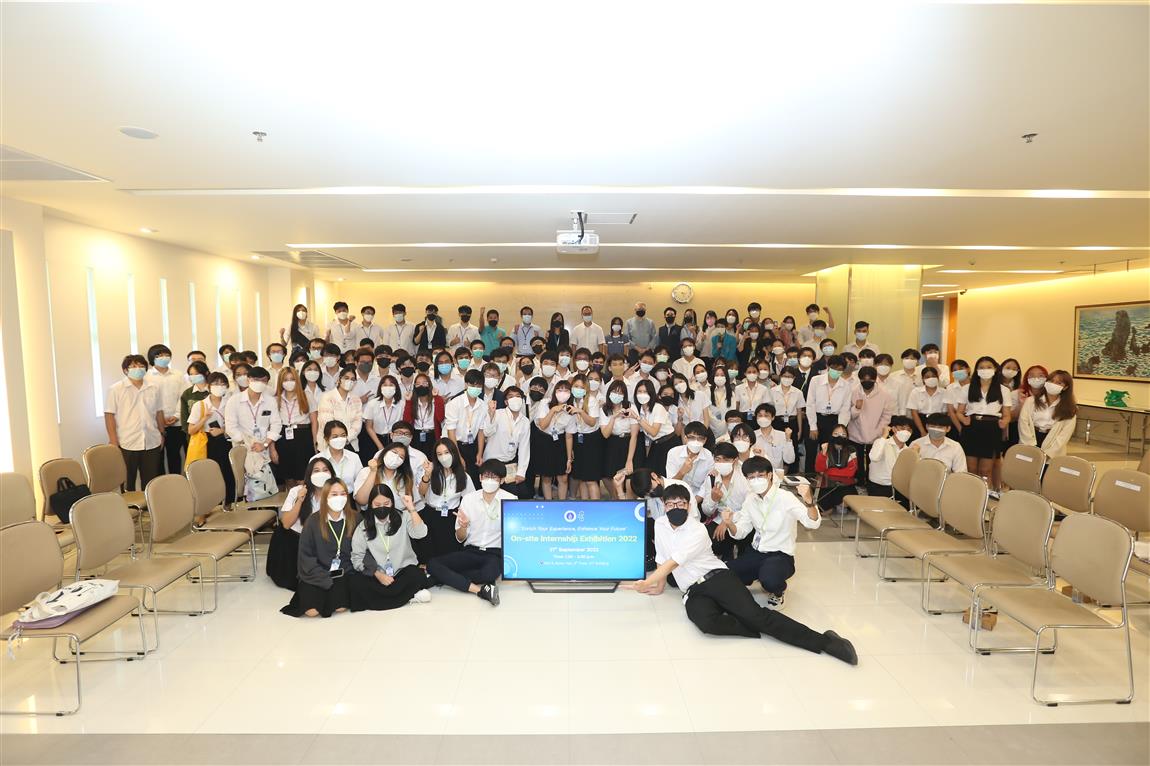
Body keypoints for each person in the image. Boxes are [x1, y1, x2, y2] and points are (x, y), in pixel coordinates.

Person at [626, 483, 857, 665]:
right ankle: (750, 621)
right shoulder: (660, 525)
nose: (675, 508)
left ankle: (825, 641)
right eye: (670, 504)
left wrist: (647, 581)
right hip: (693, 591)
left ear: (688, 505)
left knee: (757, 616)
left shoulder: (697, 530)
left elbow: (673, 563)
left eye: (681, 503)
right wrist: (656, 586)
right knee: (706, 623)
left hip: (717, 578)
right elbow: (662, 558)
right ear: (663, 505)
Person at [727, 457, 821, 608]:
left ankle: (777, 592)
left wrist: (809, 502)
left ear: (770, 475)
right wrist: (729, 523)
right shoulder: (750, 499)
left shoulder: (785, 497)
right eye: (751, 477)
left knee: (770, 580)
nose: (756, 480)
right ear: (747, 480)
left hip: (780, 554)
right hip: (757, 551)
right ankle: (757, 573)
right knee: (726, 573)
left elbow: (812, 523)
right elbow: (742, 532)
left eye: (760, 475)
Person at [427, 460, 512, 606]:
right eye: (486, 476)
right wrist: (464, 526)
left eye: (494, 477)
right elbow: (460, 538)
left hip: (494, 553)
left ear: (502, 480)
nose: (489, 480)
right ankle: (479, 590)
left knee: (489, 574)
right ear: (480, 478)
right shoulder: (469, 499)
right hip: (471, 551)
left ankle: (443, 577)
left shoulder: (510, 500)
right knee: (432, 564)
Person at [281, 478, 357, 618]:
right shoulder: (312, 521)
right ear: (325, 496)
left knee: (340, 607)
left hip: (344, 573)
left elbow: (359, 553)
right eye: (334, 494)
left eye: (343, 494)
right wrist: (324, 578)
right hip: (316, 574)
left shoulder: (356, 518)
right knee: (311, 611)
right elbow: (305, 557)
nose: (339, 498)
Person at [349, 484, 432, 610]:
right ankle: (407, 596)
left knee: (416, 575)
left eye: (386, 503)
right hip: (379, 576)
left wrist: (411, 508)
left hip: (403, 572)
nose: (382, 507)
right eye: (377, 504)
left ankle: (382, 600)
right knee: (356, 582)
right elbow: (357, 558)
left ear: (392, 503)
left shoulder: (403, 517)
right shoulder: (363, 527)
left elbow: (421, 533)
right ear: (370, 505)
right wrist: (377, 574)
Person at [266, 456, 336, 590]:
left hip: (323, 541)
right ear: (309, 474)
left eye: (325, 470)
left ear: (331, 474)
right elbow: (286, 523)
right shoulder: (296, 491)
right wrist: (300, 500)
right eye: (316, 471)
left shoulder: (337, 493)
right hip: (296, 540)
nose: (321, 474)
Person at [104, 354, 166, 492]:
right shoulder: (116, 389)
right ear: (125, 370)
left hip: (151, 440)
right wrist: (113, 440)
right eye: (133, 366)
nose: (138, 368)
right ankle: (128, 504)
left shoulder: (154, 387)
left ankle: (148, 504)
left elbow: (159, 412)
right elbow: (109, 415)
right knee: (127, 481)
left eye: (141, 366)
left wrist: (162, 433)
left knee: (150, 482)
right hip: (126, 441)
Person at [954, 356, 1012, 486]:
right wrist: (963, 419)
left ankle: (985, 493)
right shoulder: (967, 388)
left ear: (995, 369)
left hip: (992, 428)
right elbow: (959, 412)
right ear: (976, 370)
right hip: (972, 427)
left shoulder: (1004, 390)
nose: (985, 370)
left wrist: (1004, 422)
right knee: (971, 468)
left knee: (985, 470)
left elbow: (1007, 415)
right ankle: (970, 492)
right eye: (981, 367)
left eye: (989, 367)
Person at [421, 438, 475, 560]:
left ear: (454, 453)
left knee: (449, 555)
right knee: (430, 553)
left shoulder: (464, 476)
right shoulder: (431, 471)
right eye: (439, 454)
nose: (443, 457)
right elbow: (422, 492)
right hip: (431, 515)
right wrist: (427, 475)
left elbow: (470, 500)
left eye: (446, 453)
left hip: (451, 517)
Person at [187, 372, 235, 502]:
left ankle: (228, 503)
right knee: (210, 475)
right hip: (207, 443)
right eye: (215, 383)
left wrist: (222, 431)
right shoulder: (200, 405)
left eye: (222, 383)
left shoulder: (230, 403)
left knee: (228, 473)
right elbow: (191, 430)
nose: (219, 386)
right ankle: (211, 504)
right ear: (209, 386)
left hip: (227, 441)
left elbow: (237, 425)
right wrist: (205, 418)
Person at [481, 386, 532, 499]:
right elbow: (487, 432)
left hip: (510, 464)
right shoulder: (497, 414)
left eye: (518, 396)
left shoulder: (525, 421)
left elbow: (524, 448)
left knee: (514, 495)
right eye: (511, 397)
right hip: (492, 462)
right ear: (506, 402)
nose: (515, 399)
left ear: (522, 400)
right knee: (491, 494)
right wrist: (491, 415)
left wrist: (521, 472)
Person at [144, 344, 186, 474]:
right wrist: (159, 419)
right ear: (152, 358)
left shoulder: (178, 375)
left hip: (176, 423)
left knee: (175, 456)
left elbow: (183, 397)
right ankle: (160, 483)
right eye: (159, 355)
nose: (164, 357)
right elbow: (146, 401)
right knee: (157, 457)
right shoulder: (146, 376)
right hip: (155, 424)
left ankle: (175, 481)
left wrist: (177, 415)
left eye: (166, 355)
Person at [444, 369, 490, 484]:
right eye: (472, 385)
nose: (476, 388)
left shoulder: (483, 405)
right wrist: (458, 456)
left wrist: (480, 453)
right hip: (456, 445)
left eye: (478, 385)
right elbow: (451, 432)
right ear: (466, 384)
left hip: (473, 446)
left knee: (474, 480)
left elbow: (481, 431)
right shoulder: (454, 403)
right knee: (458, 480)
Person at [848, 366, 894, 480]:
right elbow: (848, 416)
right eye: (864, 379)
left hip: (876, 436)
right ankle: (858, 483)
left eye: (870, 379)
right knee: (856, 464)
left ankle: (870, 484)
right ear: (859, 379)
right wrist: (856, 408)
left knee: (873, 464)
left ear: (875, 379)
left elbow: (886, 416)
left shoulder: (885, 395)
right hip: (855, 435)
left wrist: (877, 432)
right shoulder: (852, 392)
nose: (867, 382)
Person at [1018, 370, 1078, 457]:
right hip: (1032, 437)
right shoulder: (1031, 401)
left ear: (1065, 387)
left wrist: (1049, 454)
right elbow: (1023, 422)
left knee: (1048, 465)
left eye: (1059, 383)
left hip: (1052, 441)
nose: (1053, 384)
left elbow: (1064, 435)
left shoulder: (1070, 408)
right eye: (1051, 381)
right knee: (1028, 463)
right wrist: (1029, 445)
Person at [274, 366, 315, 487]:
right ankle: (291, 499)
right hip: (282, 437)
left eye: (292, 379)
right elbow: (271, 425)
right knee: (288, 477)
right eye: (285, 380)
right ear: (281, 382)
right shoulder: (276, 399)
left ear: (297, 380)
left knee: (303, 478)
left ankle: (303, 498)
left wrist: (315, 442)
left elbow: (314, 421)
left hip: (303, 437)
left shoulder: (306, 396)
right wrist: (272, 448)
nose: (289, 382)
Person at [600, 380, 639, 497]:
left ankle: (627, 499)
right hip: (612, 443)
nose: (616, 395)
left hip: (629, 442)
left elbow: (634, 435)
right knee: (610, 475)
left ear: (624, 395)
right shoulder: (604, 409)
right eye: (614, 392)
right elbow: (605, 434)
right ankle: (615, 499)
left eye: (620, 392)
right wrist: (613, 417)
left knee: (628, 477)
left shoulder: (630, 407)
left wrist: (629, 460)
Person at [317, 366, 363, 453]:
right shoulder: (327, 397)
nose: (349, 381)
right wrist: (338, 439)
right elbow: (326, 422)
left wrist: (346, 438)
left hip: (350, 444)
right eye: (346, 378)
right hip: (329, 444)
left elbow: (357, 424)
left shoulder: (356, 400)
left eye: (352, 379)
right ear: (339, 380)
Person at [665, 421, 715, 504]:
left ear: (705, 440)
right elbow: (670, 484)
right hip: (677, 497)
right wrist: (682, 472)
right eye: (692, 438)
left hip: (698, 499)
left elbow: (706, 486)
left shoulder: (709, 456)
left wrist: (693, 503)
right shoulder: (673, 453)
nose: (696, 441)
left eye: (700, 438)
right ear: (685, 438)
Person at [866, 416, 915, 498]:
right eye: (902, 428)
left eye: (909, 430)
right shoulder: (881, 442)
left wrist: (915, 455)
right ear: (894, 429)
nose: (906, 432)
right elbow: (874, 457)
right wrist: (884, 436)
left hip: (899, 488)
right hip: (878, 487)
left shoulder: (909, 450)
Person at [814, 424, 857, 514]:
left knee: (849, 502)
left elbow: (851, 472)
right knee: (823, 511)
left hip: (845, 484)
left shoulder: (851, 450)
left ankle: (839, 504)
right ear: (831, 435)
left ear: (847, 437)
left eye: (843, 434)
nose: (839, 437)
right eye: (836, 434)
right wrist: (823, 454)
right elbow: (819, 469)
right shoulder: (826, 448)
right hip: (828, 484)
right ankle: (835, 505)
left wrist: (829, 471)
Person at [404, 371, 445, 459]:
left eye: (424, 383)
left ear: (429, 385)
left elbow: (440, 418)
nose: (421, 386)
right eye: (418, 384)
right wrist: (408, 401)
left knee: (432, 460)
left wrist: (436, 397)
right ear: (414, 386)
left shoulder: (437, 400)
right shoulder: (412, 401)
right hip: (416, 436)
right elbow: (406, 421)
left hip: (432, 435)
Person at [751, 404, 795, 471]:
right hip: (756, 473)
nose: (763, 418)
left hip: (775, 474)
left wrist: (788, 439)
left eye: (766, 415)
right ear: (756, 417)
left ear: (773, 417)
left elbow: (789, 460)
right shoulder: (751, 435)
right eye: (760, 415)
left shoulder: (782, 435)